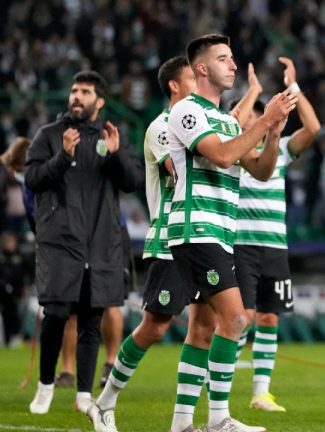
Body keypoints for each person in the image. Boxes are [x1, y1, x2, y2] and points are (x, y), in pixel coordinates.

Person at [165, 34, 295, 432]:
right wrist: (264, 120)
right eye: (224, 58)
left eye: (233, 57)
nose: (233, 65)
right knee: (237, 319)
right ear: (201, 68)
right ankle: (219, 417)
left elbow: (261, 170)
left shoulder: (226, 120)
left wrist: (272, 134)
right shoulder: (187, 111)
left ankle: (182, 422)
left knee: (203, 328)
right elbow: (222, 155)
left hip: (220, 232)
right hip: (196, 228)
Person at [85, 55, 214, 432]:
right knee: (155, 328)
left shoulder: (200, 122)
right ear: (175, 85)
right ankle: (104, 402)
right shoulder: (162, 127)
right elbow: (182, 170)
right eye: (193, 77)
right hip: (172, 235)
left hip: (204, 233)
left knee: (203, 328)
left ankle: (182, 422)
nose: (199, 82)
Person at [25, 71, 144, 415]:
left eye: (85, 91)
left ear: (99, 101)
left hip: (101, 243)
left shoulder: (111, 136)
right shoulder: (48, 136)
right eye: (74, 90)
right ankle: (46, 385)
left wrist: (118, 154)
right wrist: (62, 156)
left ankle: (82, 395)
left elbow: (132, 181)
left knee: (92, 319)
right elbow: (32, 179)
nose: (77, 96)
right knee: (57, 313)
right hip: (60, 242)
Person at [232, 56, 321, 413]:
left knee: (269, 318)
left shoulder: (280, 150)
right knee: (243, 318)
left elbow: (313, 129)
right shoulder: (232, 151)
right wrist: (252, 92)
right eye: (251, 114)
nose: (255, 117)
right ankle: (216, 374)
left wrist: (293, 87)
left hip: (274, 246)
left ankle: (260, 393)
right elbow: (233, 122)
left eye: (259, 113)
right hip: (241, 245)